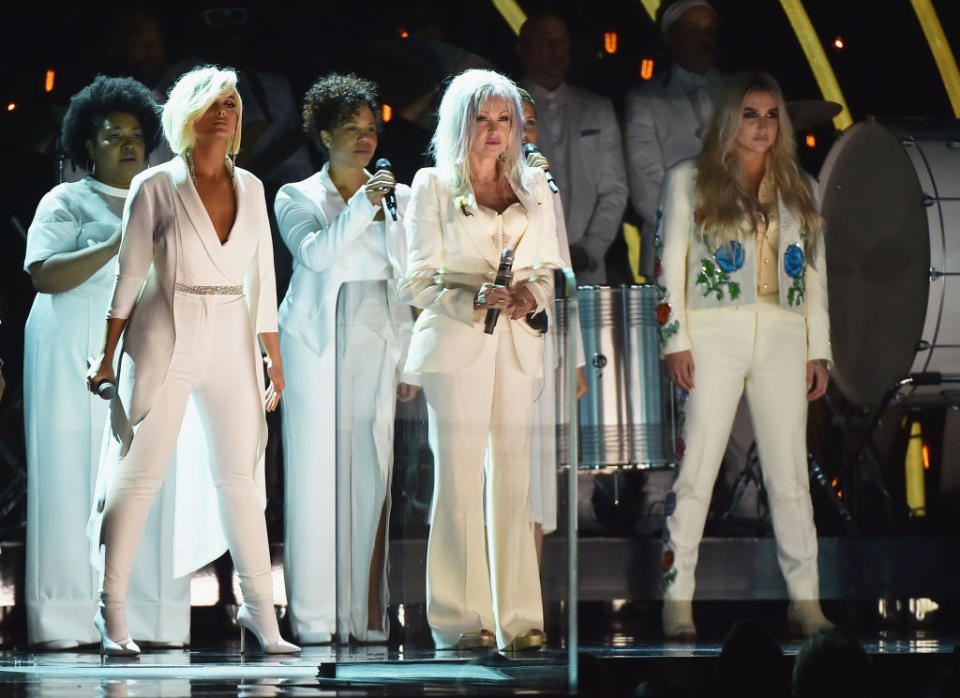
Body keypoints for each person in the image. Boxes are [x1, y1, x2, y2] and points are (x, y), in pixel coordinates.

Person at [85, 65, 298, 656]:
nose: (228, 111)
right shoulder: (154, 185)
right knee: (138, 474)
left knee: (240, 477)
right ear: (188, 113)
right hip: (164, 332)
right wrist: (105, 358)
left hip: (231, 334)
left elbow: (263, 279)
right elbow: (127, 278)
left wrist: (272, 360)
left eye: (233, 102)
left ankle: (260, 614)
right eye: (214, 102)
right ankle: (113, 612)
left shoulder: (252, 187)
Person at [656, 72, 832, 638]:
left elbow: (815, 274)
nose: (761, 126)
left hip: (782, 330)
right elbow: (669, 262)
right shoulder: (690, 179)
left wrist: (818, 349)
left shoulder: (799, 185)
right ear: (731, 119)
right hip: (713, 331)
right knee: (698, 467)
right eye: (751, 114)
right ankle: (677, 597)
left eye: (771, 114)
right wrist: (675, 339)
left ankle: (806, 601)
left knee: (789, 474)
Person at [23, 75, 191, 649]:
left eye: (137, 134)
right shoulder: (65, 200)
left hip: (145, 357)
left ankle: (147, 616)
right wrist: (121, 238)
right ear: (85, 146)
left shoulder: (169, 199)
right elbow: (43, 272)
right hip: (71, 351)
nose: (127, 144)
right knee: (71, 475)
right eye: (111, 134)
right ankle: (66, 619)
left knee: (144, 479)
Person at [399, 69, 564, 651]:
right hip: (457, 341)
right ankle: (458, 620)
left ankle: (520, 621)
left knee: (514, 481)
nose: (495, 131)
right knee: (460, 481)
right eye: (482, 118)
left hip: (517, 342)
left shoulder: (534, 183)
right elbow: (416, 279)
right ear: (459, 121)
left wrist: (529, 296)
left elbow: (549, 270)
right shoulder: (431, 185)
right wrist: (468, 296)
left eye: (504, 119)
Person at [276, 73, 417, 644]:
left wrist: (408, 358)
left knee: (372, 473)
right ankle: (312, 619)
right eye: (352, 130)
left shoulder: (399, 198)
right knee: (314, 476)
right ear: (323, 134)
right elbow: (314, 256)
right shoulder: (297, 196)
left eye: (371, 129)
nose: (366, 140)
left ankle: (364, 616)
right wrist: (363, 203)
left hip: (375, 344)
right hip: (314, 345)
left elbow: (407, 281)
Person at [518, 88, 588, 564]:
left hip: (541, 342)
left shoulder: (544, 185)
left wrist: (576, 357)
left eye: (529, 123)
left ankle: (530, 609)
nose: (522, 133)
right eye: (509, 121)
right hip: (490, 337)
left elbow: (563, 274)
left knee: (539, 481)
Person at [516, 12, 628, 284]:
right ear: (523, 49)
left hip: (585, 267)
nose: (556, 49)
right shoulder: (504, 109)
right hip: (522, 266)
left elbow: (614, 189)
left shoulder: (596, 108)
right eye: (545, 40)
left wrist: (590, 249)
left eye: (562, 42)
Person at [625, 0, 724, 280]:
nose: (704, 38)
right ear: (670, 38)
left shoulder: (737, 93)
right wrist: (698, 225)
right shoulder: (645, 100)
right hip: (671, 247)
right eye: (693, 30)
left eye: (709, 30)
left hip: (734, 246)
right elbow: (646, 188)